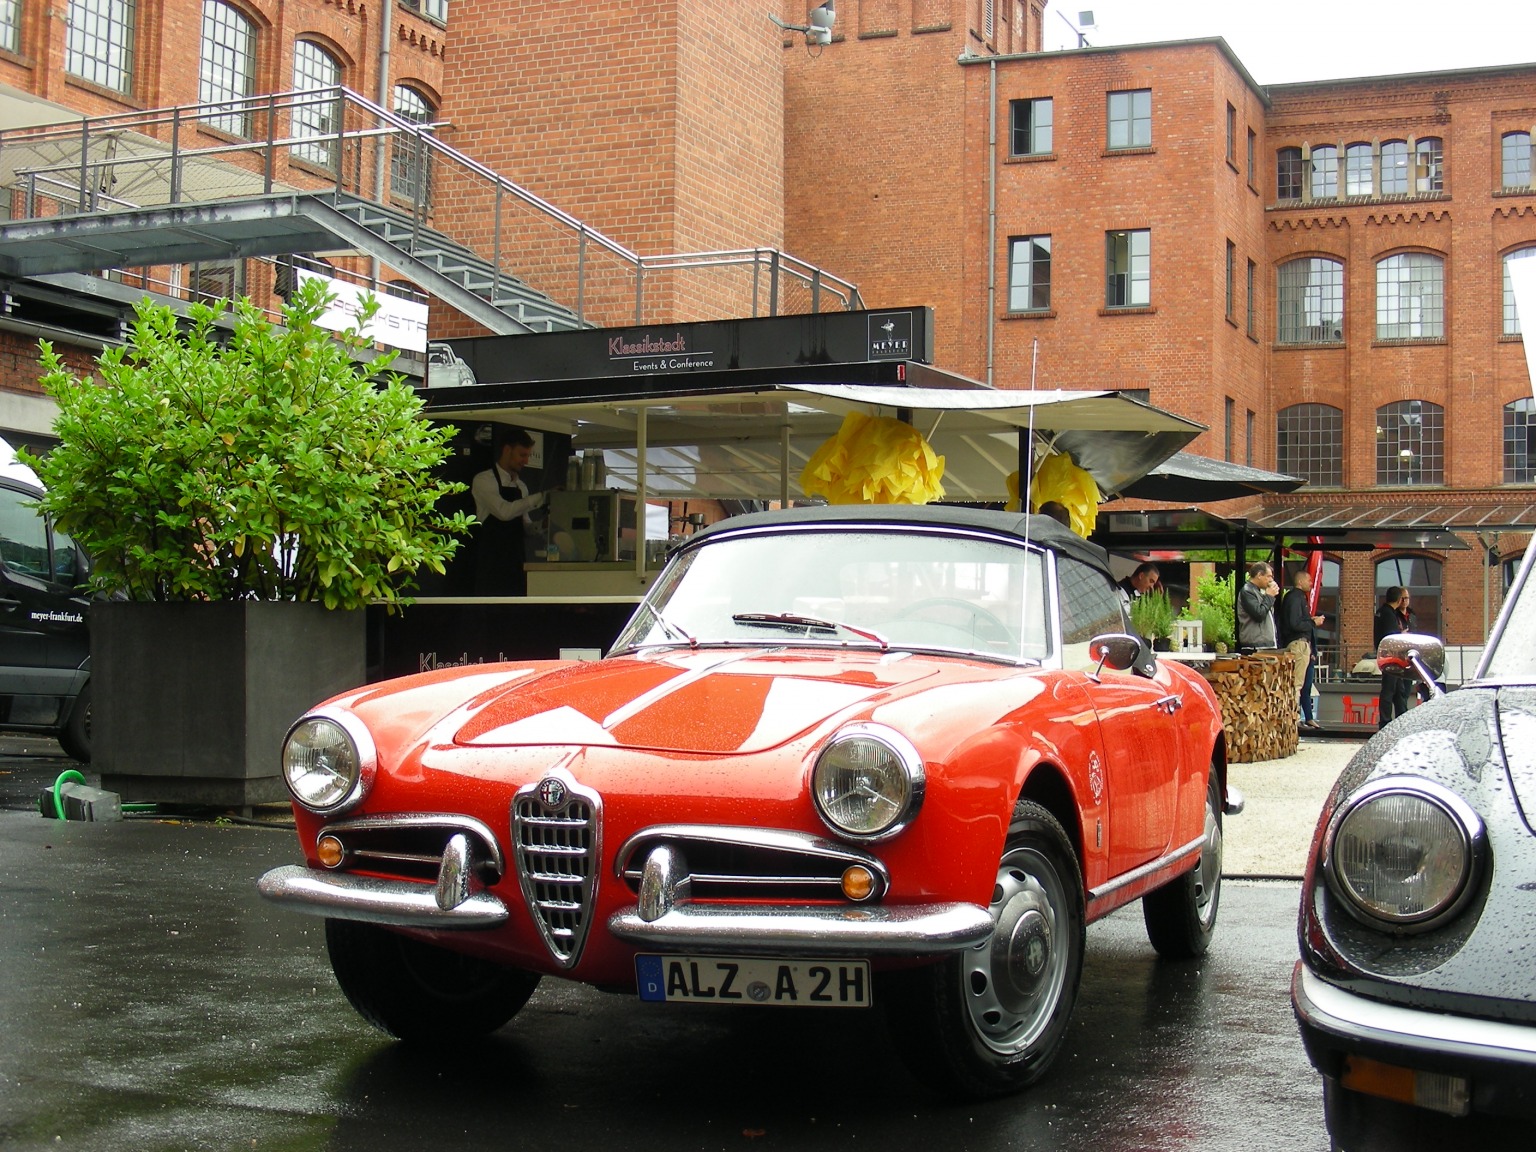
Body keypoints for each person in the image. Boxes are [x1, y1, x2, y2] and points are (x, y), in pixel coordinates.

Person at [471, 427, 546, 596]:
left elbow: (525, 525)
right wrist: (540, 497)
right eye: (522, 455)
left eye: (528, 455)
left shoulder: (521, 486)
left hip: (515, 562)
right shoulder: (484, 480)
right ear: (507, 450)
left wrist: (542, 525)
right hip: (491, 564)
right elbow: (504, 512)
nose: (526, 461)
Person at [1280, 568, 1327, 729]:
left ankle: (1299, 717)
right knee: (1297, 684)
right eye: (1309, 580)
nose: (1312, 583)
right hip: (1299, 644)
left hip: (1301, 644)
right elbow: (1295, 623)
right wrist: (1313, 622)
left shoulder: (1296, 597)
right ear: (1300, 582)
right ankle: (1294, 719)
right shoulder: (1295, 598)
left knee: (1301, 684)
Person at [1373, 585, 1413, 728]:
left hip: (1387, 656)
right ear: (1399, 599)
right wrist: (1402, 635)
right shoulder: (1390, 615)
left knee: (1398, 690)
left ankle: (1399, 718)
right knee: (1389, 690)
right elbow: (1391, 637)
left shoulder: (1381, 612)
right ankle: (1386, 721)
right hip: (1391, 658)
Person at [1236, 561, 1279, 650]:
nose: (1271, 580)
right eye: (1268, 576)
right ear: (1259, 575)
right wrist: (1269, 596)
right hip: (1255, 645)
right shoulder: (1247, 591)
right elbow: (1259, 614)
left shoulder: (1259, 591)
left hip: (1263, 644)